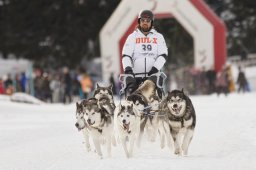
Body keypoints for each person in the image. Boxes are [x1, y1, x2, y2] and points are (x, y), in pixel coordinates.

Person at [122, 9, 168, 97]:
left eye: (148, 21)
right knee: (133, 102)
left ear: (152, 22)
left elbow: (163, 55)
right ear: (139, 21)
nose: (145, 22)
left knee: (155, 102)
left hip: (153, 76)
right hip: (136, 77)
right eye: (143, 20)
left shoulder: (158, 37)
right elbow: (126, 55)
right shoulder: (132, 37)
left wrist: (155, 69)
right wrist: (128, 69)